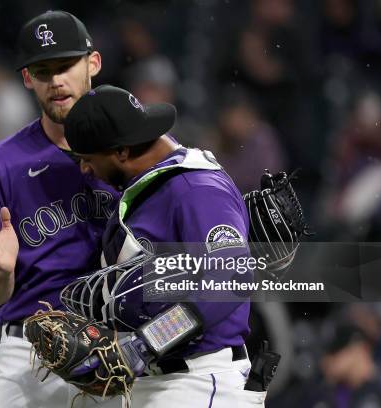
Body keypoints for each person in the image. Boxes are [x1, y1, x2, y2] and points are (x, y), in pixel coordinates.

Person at [0, 10, 119, 408]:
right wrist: (1, 271)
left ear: (92, 63)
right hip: (31, 355)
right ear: (27, 79)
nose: (56, 81)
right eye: (42, 71)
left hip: (120, 346)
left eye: (65, 66)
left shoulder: (136, 150)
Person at [61, 85, 265, 407]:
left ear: (123, 152)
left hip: (200, 381)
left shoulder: (193, 187)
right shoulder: (153, 187)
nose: (84, 168)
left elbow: (231, 279)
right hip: (166, 382)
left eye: (88, 157)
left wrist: (146, 343)